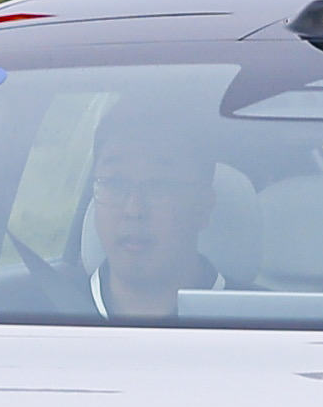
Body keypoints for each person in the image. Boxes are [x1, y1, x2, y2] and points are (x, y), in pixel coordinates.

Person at [84, 112, 224, 318]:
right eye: (115, 183)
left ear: (202, 206)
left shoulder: (260, 320)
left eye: (159, 186)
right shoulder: (43, 310)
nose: (134, 210)